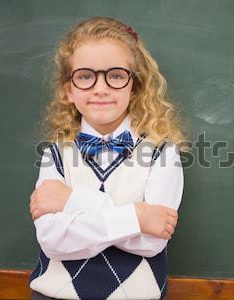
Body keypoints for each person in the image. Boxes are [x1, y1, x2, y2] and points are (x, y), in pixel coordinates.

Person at [28, 16, 186, 300]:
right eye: (86, 76)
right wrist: (137, 216)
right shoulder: (55, 152)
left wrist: (72, 201)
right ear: (68, 90)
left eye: (115, 75)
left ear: (134, 86)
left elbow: (151, 241)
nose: (100, 88)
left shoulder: (164, 152)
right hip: (54, 296)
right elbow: (52, 241)